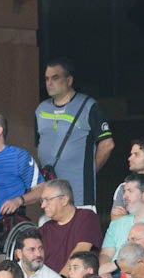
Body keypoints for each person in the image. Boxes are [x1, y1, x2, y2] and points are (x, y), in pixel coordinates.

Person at [34, 57, 114, 208]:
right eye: (46, 79)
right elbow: (38, 146)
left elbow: (107, 144)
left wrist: (89, 173)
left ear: (69, 80)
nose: (49, 83)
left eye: (55, 78)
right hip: (50, 195)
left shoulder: (88, 106)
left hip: (79, 195)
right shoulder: (41, 110)